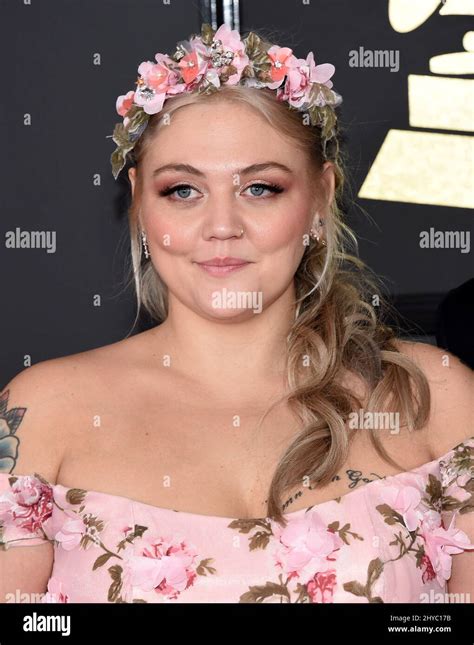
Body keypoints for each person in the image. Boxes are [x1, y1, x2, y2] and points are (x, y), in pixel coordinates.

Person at [0, 23, 472, 604]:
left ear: (320, 199)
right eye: (182, 191)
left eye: (260, 188)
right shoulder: (40, 414)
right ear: (140, 207)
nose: (222, 227)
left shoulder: (436, 397)